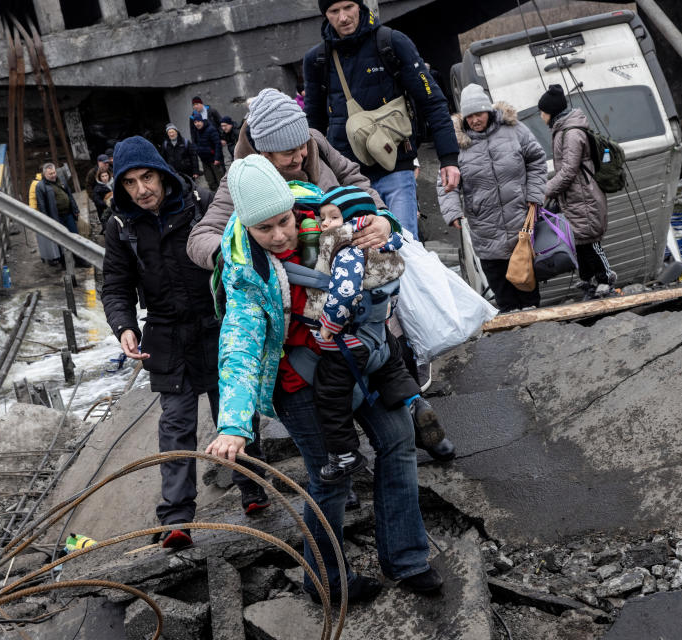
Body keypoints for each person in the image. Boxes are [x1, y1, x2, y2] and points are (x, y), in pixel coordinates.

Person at [206, 154, 443, 604]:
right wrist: (234, 425)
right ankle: (327, 582)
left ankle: (408, 558)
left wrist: (385, 225)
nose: (279, 236)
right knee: (330, 478)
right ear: (246, 226)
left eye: (284, 222)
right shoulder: (244, 270)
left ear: (295, 209)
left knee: (397, 440)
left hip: (357, 357)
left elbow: (372, 213)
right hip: (301, 381)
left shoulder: (321, 208)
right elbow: (239, 344)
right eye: (264, 229)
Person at [186, 87, 456, 463]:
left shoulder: (313, 143)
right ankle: (358, 449)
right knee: (338, 372)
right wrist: (246, 255)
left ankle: (410, 418)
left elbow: (355, 180)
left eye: (302, 146)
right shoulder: (245, 179)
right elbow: (200, 238)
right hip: (303, 299)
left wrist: (380, 217)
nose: (300, 155)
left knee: (384, 338)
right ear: (264, 152)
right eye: (288, 152)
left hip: (352, 270)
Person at [101, 136, 269, 551]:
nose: (142, 190)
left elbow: (242, 248)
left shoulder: (203, 202)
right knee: (175, 426)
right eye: (130, 184)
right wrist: (124, 326)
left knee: (232, 408)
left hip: (218, 323)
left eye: (147, 177)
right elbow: (115, 286)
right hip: (166, 335)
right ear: (120, 188)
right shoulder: (120, 227)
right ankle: (177, 519)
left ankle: (254, 490)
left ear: (161, 172)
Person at [307, 186, 438, 483]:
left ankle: (344, 454)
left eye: (332, 217)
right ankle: (415, 404)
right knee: (392, 372)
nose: (324, 224)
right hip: (381, 332)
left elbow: (345, 291)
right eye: (321, 218)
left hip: (351, 340)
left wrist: (329, 324)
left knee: (329, 391)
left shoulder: (347, 249)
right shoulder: (383, 243)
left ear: (356, 220)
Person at [302, 0, 461, 240]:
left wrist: (449, 158)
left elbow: (432, 101)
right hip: (347, 176)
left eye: (348, 7)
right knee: (363, 251)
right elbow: (313, 124)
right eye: (334, 11)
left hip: (396, 166)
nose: (343, 17)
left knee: (404, 245)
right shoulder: (317, 60)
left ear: (360, 6)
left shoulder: (391, 42)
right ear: (325, 15)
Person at [438, 84, 548, 312]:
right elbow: (446, 181)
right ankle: (510, 316)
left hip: (519, 214)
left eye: (479, 114)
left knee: (525, 270)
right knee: (497, 273)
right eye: (469, 116)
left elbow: (537, 160)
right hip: (484, 221)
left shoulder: (515, 129)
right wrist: (452, 211)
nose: (475, 120)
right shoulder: (454, 143)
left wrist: (535, 194)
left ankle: (534, 317)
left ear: (488, 111)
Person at [538, 84, 615, 300]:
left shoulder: (571, 133)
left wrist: (547, 190)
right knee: (578, 238)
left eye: (542, 112)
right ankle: (589, 277)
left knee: (590, 238)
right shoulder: (563, 130)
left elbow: (569, 171)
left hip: (584, 196)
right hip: (575, 196)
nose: (541, 116)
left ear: (551, 112)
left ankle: (606, 276)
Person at [36, 162, 79, 236]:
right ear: (44, 174)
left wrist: (75, 209)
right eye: (50, 174)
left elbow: (69, 195)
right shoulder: (40, 186)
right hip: (56, 218)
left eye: (54, 172)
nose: (53, 175)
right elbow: (41, 206)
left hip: (68, 214)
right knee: (62, 237)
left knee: (75, 235)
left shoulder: (61, 180)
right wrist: (47, 221)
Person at [29, 169, 61, 265]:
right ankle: (50, 257)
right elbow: (33, 200)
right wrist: (35, 214)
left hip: (47, 213)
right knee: (46, 238)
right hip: (41, 215)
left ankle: (51, 256)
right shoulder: (37, 184)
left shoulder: (45, 182)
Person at [192, 113, 224, 190]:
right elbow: (195, 143)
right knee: (210, 181)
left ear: (202, 121)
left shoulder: (211, 129)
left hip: (214, 160)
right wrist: (198, 150)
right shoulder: (196, 131)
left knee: (220, 181)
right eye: (195, 122)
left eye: (198, 121)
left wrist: (217, 158)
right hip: (204, 160)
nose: (197, 124)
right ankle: (215, 198)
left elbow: (217, 144)